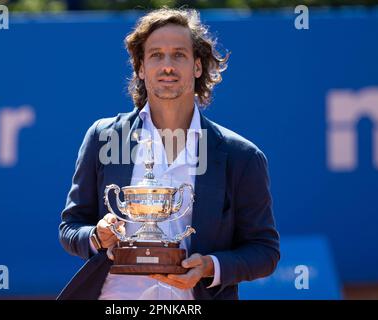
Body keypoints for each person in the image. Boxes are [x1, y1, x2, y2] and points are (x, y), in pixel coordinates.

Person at [58, 7, 280, 300]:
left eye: (179, 54)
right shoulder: (103, 138)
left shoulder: (241, 156)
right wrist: (97, 235)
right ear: (140, 68)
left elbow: (264, 251)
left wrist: (209, 266)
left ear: (197, 67)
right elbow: (70, 228)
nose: (167, 66)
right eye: (156, 55)